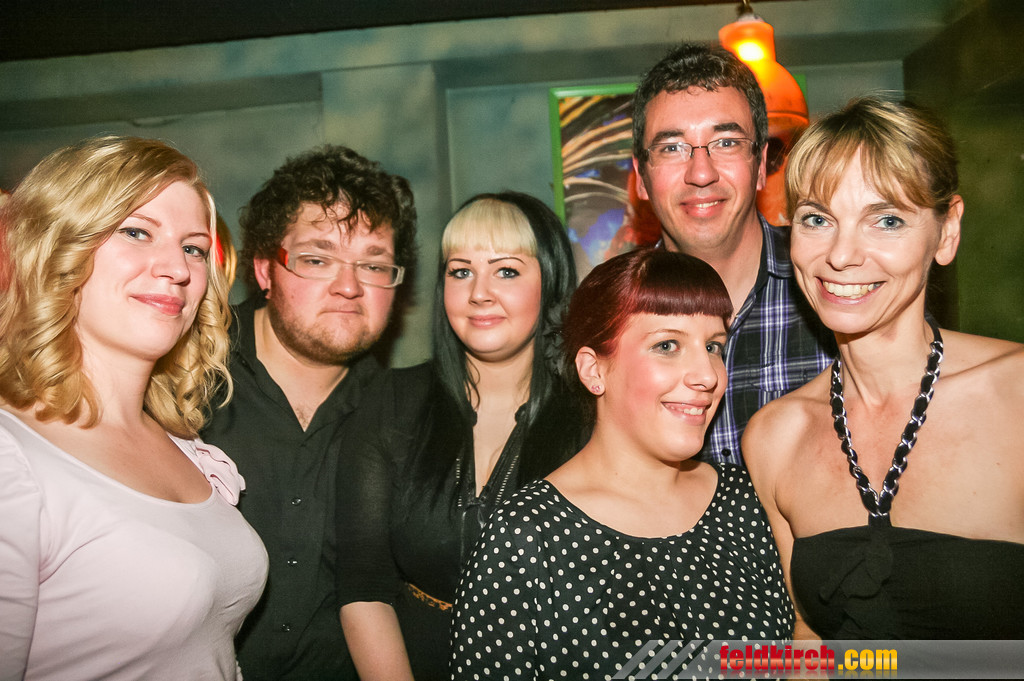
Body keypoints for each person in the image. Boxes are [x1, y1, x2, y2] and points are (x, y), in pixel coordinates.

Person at [744, 96, 1024, 639]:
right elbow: (807, 642)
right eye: (817, 219)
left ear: (947, 231)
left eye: (887, 220)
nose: (841, 255)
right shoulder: (775, 437)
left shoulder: (1015, 396)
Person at [451, 248, 794, 680]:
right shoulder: (523, 538)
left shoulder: (746, 500)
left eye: (713, 346)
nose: (707, 374)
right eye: (667, 345)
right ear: (594, 371)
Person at [0, 135, 267, 680]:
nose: (177, 268)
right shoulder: (12, 459)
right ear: (56, 246)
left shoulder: (188, 449)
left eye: (194, 248)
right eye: (136, 232)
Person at [336, 192, 585, 680]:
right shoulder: (393, 402)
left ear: (551, 283)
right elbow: (364, 587)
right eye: (461, 271)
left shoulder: (594, 417)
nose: (479, 293)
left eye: (506, 271)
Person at [200, 145, 417, 681]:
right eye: (318, 259)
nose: (349, 286)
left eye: (373, 265)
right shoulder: (180, 380)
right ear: (264, 271)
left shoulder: (407, 413)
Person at [631, 42, 833, 464]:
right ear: (641, 177)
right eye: (672, 148)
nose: (701, 173)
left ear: (760, 164)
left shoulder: (836, 280)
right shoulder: (612, 314)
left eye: (725, 142)